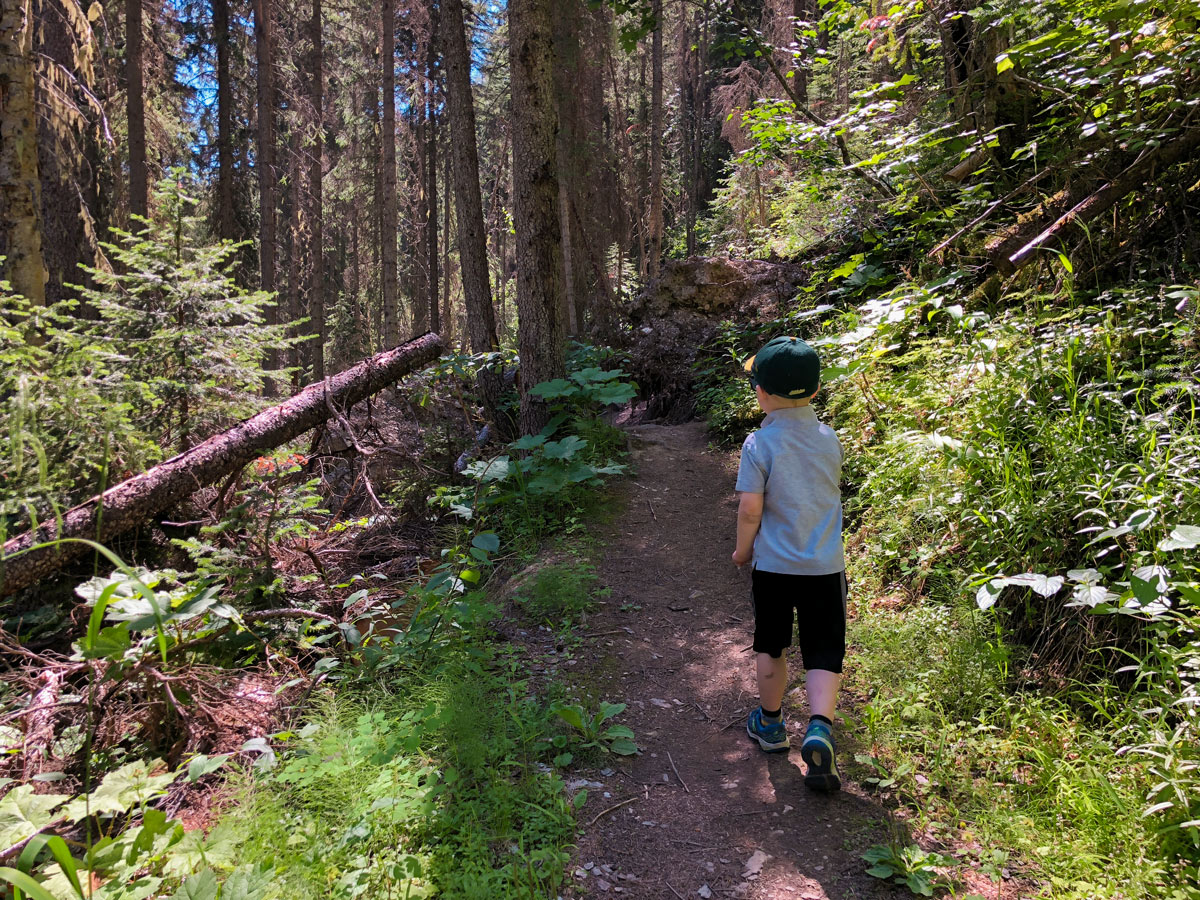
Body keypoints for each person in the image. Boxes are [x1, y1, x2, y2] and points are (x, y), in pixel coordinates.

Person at [732, 335, 846, 792]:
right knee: (823, 649)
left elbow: (750, 509)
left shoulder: (759, 444)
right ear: (816, 391)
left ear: (761, 392)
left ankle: (772, 724)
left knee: (772, 644)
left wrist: (743, 550)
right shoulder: (828, 438)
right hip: (824, 566)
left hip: (775, 568)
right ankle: (819, 726)